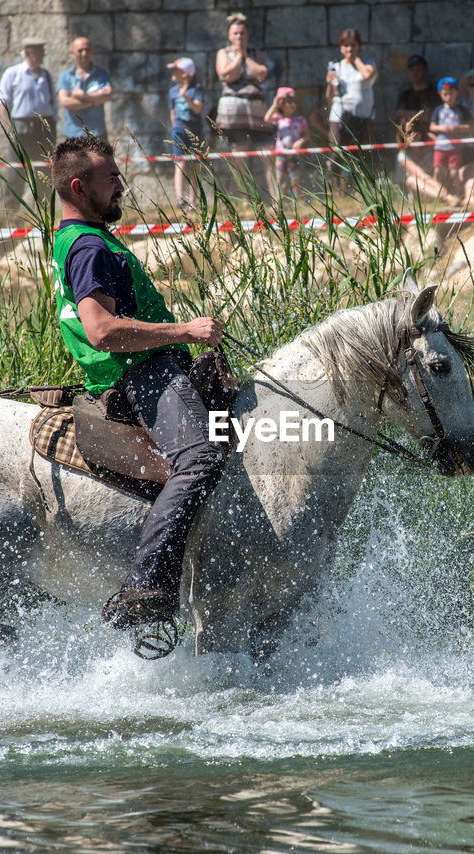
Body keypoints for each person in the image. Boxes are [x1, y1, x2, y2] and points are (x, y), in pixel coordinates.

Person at [49, 136, 226, 639]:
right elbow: (102, 329)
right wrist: (184, 331)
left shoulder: (85, 238)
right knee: (201, 458)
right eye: (112, 178)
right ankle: (145, 586)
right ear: (79, 187)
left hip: (150, 368)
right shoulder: (87, 245)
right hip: (139, 375)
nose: (122, 185)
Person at [0, 37, 57, 194]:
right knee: (17, 169)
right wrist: (10, 128)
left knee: (45, 169)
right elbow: (2, 103)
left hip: (44, 126)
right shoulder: (13, 73)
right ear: (28, 54)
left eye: (42, 52)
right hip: (20, 125)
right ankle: (12, 210)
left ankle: (44, 208)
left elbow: (53, 104)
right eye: (38, 52)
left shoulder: (46, 76)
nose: (41, 56)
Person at [214, 13, 271, 150]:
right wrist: (239, 56)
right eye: (236, 33)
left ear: (247, 34)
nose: (239, 36)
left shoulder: (255, 53)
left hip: (257, 109)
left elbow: (261, 74)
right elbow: (226, 75)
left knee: (267, 147)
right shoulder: (223, 53)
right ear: (229, 36)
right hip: (233, 111)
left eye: (242, 33)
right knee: (238, 149)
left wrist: (245, 56)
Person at [325, 28, 377, 147]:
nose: (349, 49)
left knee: (363, 157)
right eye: (346, 45)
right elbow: (329, 98)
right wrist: (329, 83)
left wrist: (355, 59)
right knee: (337, 155)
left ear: (359, 46)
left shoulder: (368, 63)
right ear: (341, 47)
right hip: (340, 116)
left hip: (363, 116)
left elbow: (367, 75)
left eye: (353, 45)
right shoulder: (336, 66)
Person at [167, 57, 205, 209]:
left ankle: (193, 199)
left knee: (195, 165)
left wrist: (186, 97)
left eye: (176, 70)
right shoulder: (172, 91)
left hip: (194, 130)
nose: (173, 72)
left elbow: (198, 109)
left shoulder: (196, 89)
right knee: (180, 163)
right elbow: (172, 112)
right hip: (178, 130)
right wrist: (174, 128)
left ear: (185, 73)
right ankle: (180, 199)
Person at [57, 36, 112, 141]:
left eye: (87, 50)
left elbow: (108, 95)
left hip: (98, 133)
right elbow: (65, 102)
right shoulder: (65, 76)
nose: (84, 54)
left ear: (92, 52)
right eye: (80, 50)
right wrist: (93, 101)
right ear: (72, 53)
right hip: (73, 134)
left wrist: (82, 96)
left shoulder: (102, 74)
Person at [430, 77, 474, 200]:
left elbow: (471, 126)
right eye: (445, 94)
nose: (448, 97)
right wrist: (443, 128)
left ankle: (458, 193)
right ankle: (436, 194)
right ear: (440, 94)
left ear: (457, 93)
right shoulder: (438, 110)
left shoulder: (461, 110)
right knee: (438, 171)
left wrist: (457, 129)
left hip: (455, 147)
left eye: (451, 94)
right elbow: (432, 126)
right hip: (440, 146)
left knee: (454, 172)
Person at [263, 87, 308, 198]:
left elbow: (307, 135)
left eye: (293, 102)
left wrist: (301, 141)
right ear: (282, 104)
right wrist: (275, 104)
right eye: (288, 102)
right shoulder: (278, 118)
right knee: (279, 179)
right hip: (280, 154)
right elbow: (267, 119)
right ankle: (279, 203)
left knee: (295, 179)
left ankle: (297, 202)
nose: (292, 105)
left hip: (294, 154)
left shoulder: (300, 119)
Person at [394, 54, 442, 145]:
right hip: (409, 140)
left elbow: (429, 116)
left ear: (426, 71)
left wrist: (407, 115)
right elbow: (398, 115)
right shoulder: (405, 94)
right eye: (412, 70)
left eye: (418, 69)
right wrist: (420, 114)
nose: (415, 72)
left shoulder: (434, 93)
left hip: (429, 140)